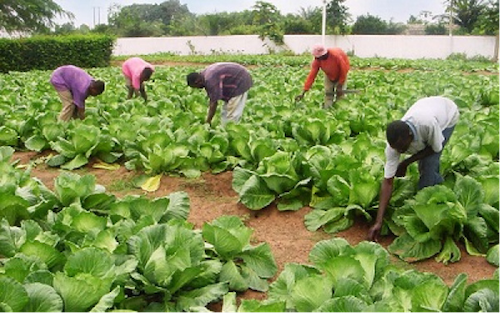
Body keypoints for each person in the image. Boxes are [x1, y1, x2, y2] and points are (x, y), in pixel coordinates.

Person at [367, 96, 460, 241]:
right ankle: (438, 189)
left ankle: (429, 205)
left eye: (402, 147)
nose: (399, 151)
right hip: (428, 107)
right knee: (426, 166)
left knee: (428, 165)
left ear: (409, 136)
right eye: (396, 148)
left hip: (447, 115)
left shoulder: (426, 124)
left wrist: (405, 163)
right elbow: (388, 182)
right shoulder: (394, 146)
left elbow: (435, 148)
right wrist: (378, 221)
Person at [187, 62, 253, 126]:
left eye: (196, 87)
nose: (198, 89)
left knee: (233, 113)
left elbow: (213, 103)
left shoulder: (210, 80)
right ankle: (225, 129)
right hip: (234, 80)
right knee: (225, 111)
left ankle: (231, 130)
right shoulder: (204, 75)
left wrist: (208, 121)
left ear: (197, 82)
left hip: (240, 81)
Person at [295, 44, 350, 109]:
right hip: (329, 75)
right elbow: (312, 75)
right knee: (328, 93)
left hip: (341, 74)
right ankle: (327, 110)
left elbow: (344, 70)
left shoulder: (336, 56)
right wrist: (304, 91)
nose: (316, 58)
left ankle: (340, 109)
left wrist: (340, 84)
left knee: (340, 95)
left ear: (323, 55)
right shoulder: (317, 61)